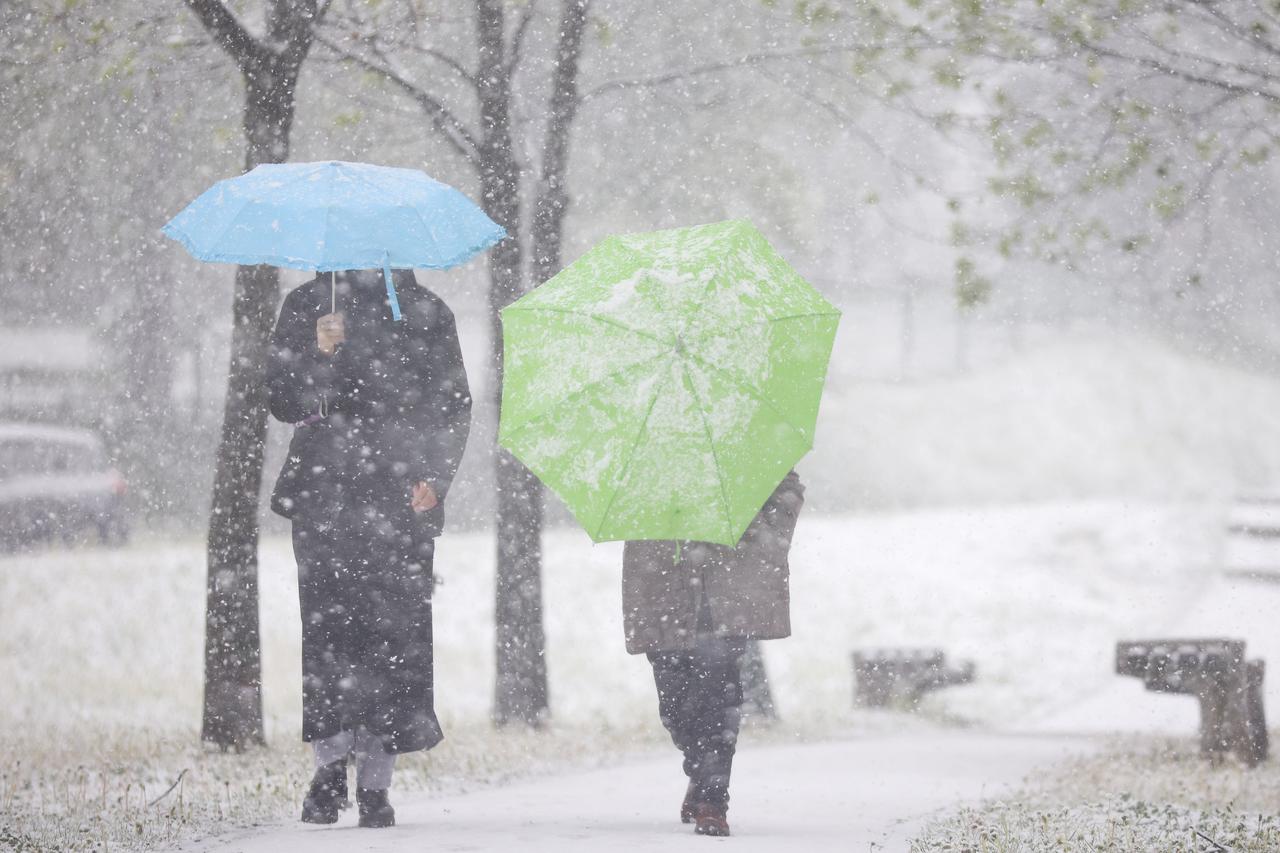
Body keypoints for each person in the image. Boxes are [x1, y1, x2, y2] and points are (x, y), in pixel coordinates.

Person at [267, 268, 471, 829]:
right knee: (329, 636)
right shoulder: (309, 303)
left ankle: (377, 784)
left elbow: (452, 405)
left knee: (394, 639)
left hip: (399, 498)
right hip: (324, 496)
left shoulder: (424, 310)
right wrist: (319, 350)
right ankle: (329, 771)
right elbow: (282, 400)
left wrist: (437, 475)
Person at [621, 471, 805, 837]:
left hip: (725, 592)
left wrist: (764, 531)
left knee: (718, 697)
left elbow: (787, 489)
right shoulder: (645, 452)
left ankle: (713, 800)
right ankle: (701, 771)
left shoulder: (743, 435)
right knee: (674, 708)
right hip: (664, 591)